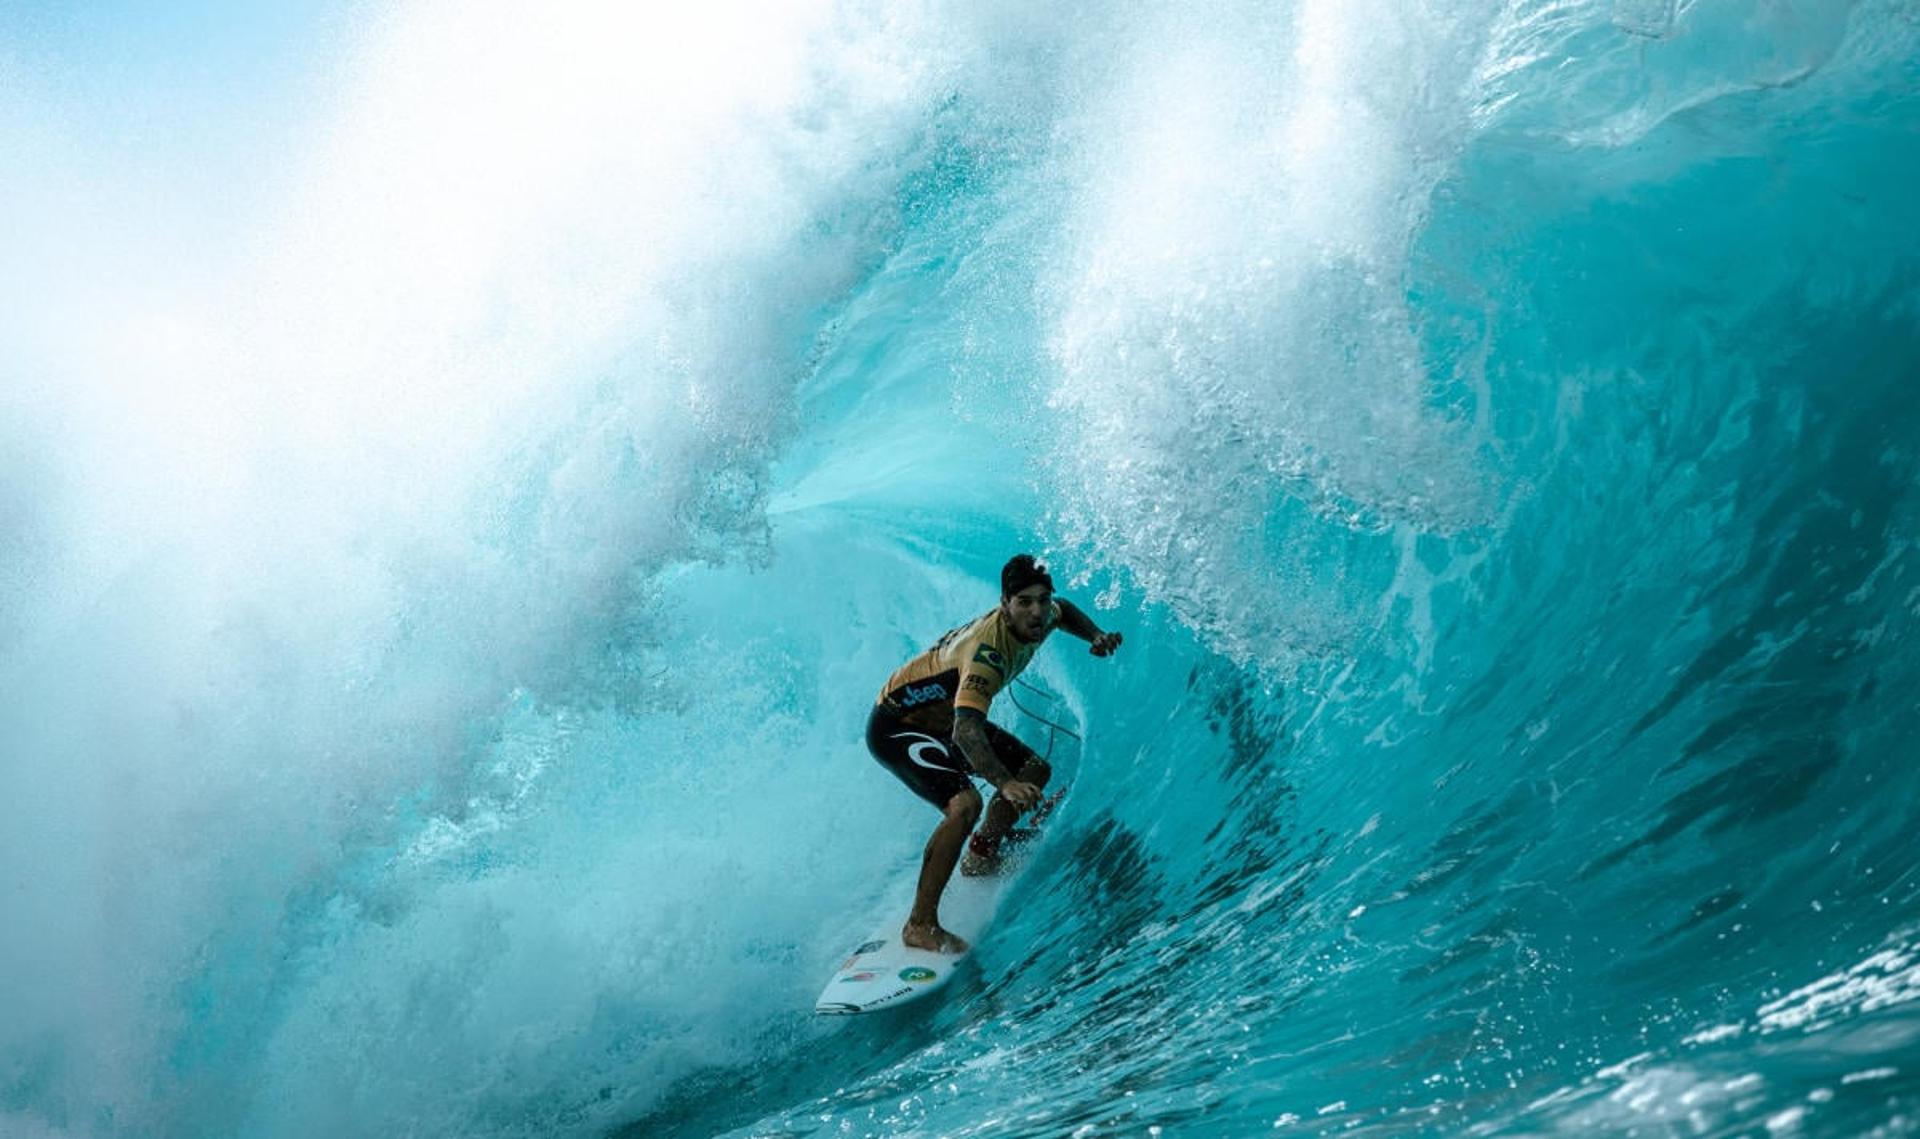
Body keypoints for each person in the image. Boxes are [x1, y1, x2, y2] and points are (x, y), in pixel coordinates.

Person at [867, 554, 1123, 954]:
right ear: (1005, 603)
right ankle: (919, 925)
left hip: (945, 720)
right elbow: (966, 732)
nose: (1037, 611)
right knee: (965, 804)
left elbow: (1065, 610)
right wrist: (1004, 783)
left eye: (1042, 599)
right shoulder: (987, 655)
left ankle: (982, 855)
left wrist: (1095, 635)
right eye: (1024, 602)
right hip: (899, 724)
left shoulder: (1044, 614)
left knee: (1034, 769)